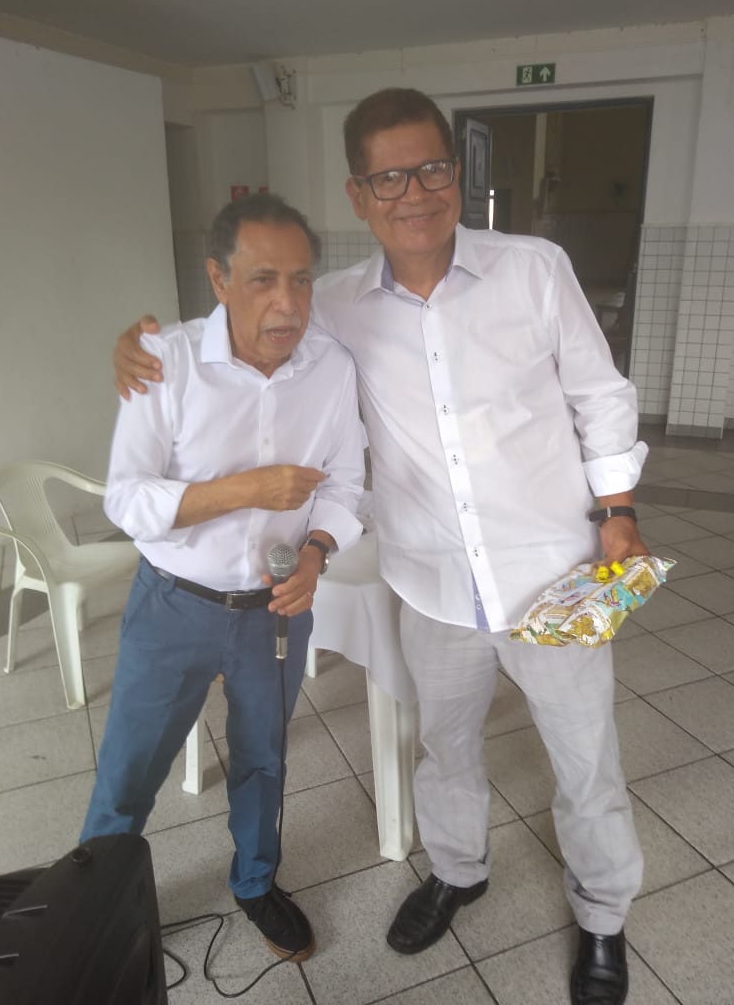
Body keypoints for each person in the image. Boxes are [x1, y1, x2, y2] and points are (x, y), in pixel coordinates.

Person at [113, 89, 650, 1005]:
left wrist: (618, 507)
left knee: (586, 758)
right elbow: (250, 318)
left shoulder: (534, 269)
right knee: (445, 746)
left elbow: (600, 394)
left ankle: (603, 916)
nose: (415, 192)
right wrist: (137, 347)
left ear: (456, 172)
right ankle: (458, 870)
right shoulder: (334, 306)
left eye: (432, 168)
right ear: (359, 196)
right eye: (389, 178)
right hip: (432, 582)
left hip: (555, 570)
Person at [84, 193, 364, 964]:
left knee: (263, 758)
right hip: (174, 604)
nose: (287, 303)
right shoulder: (164, 362)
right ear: (218, 278)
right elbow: (126, 499)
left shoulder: (331, 367)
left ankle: (255, 882)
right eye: (263, 279)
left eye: (301, 280)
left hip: (275, 608)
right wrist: (244, 490)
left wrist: (317, 552)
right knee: (130, 767)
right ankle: (95, 907)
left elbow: (346, 482)